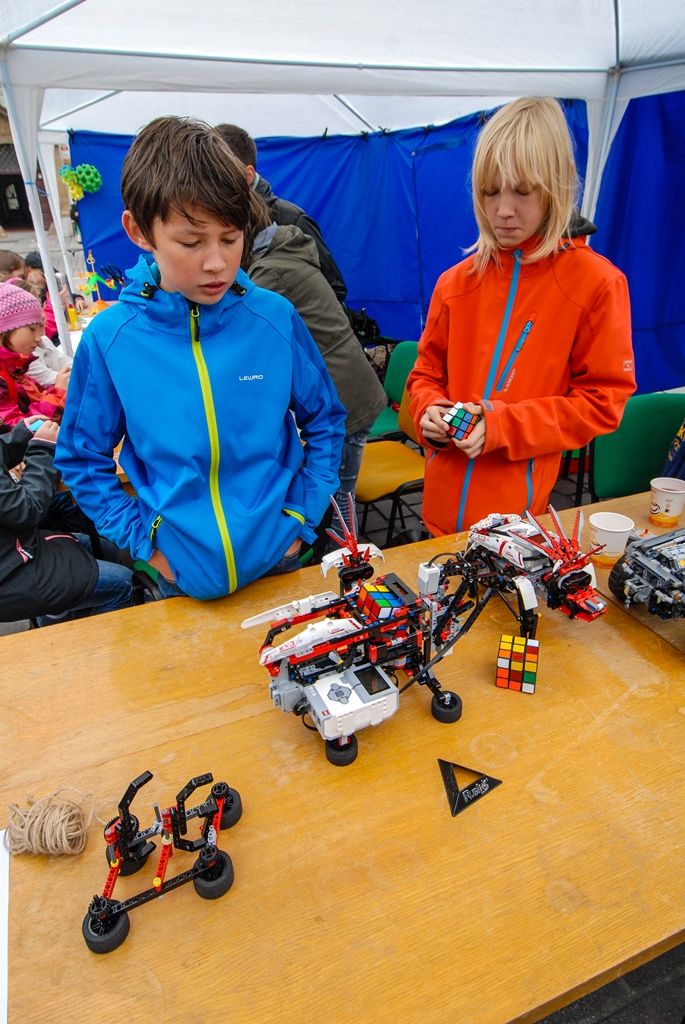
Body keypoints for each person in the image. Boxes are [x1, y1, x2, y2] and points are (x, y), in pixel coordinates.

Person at [55, 116, 346, 601]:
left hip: (281, 558)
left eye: (231, 238)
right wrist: (146, 542)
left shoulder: (274, 317)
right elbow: (81, 457)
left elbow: (327, 421)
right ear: (138, 230)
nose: (216, 262)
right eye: (191, 242)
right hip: (179, 576)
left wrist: (301, 515)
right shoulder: (111, 338)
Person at [407, 97, 636, 535]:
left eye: (522, 192)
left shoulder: (596, 283)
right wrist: (429, 411)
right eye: (490, 192)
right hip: (438, 516)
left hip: (516, 524)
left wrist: (501, 425)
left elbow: (602, 403)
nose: (503, 210)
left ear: (556, 188)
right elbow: (424, 375)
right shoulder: (455, 283)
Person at [245, 196, 386, 521]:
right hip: (345, 389)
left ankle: (346, 550)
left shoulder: (270, 272)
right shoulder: (282, 253)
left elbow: (240, 328)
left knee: (338, 498)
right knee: (335, 491)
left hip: (345, 397)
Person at [0, 417, 133, 624]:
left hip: (18, 546)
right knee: (122, 583)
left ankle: (66, 612)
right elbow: (26, 509)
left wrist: (19, 437)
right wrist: (43, 449)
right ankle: (80, 639)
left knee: (107, 550)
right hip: (10, 573)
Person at [214, 123, 347, 304]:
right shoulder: (214, 218)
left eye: (218, 174)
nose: (207, 182)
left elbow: (335, 288)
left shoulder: (291, 219)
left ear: (248, 175)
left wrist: (281, 311)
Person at [0, 283, 67, 426]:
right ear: (5, 330)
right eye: (32, 329)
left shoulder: (16, 368)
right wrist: (58, 393)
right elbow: (20, 431)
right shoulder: (5, 376)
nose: (39, 337)